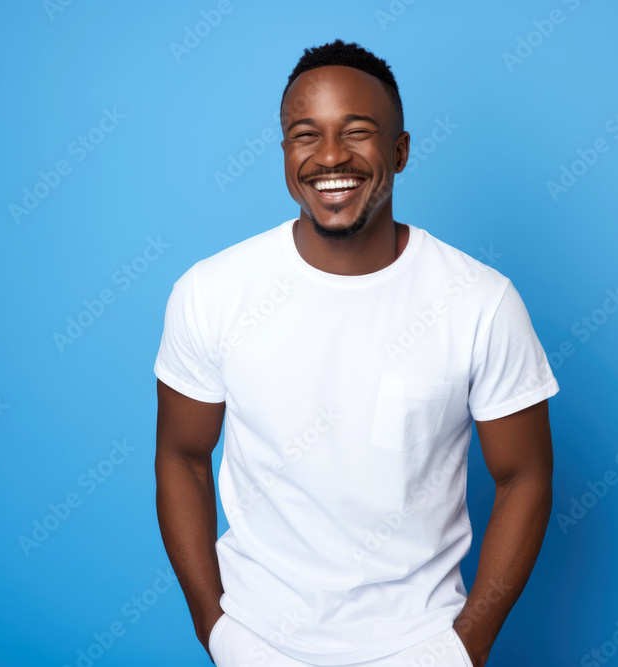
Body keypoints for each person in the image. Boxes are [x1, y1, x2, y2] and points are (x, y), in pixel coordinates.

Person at [154, 39, 559, 667]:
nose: (331, 156)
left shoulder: (480, 302)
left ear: (399, 150)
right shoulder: (211, 292)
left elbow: (525, 477)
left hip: (420, 647)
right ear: (285, 153)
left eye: (358, 131)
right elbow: (182, 455)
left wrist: (464, 648)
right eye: (304, 135)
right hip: (257, 644)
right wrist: (217, 629)